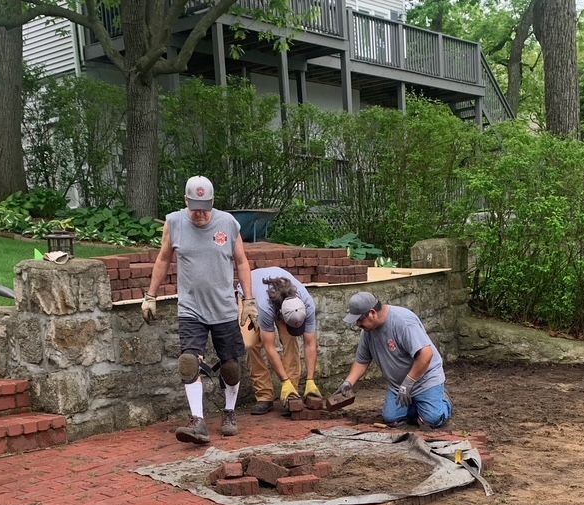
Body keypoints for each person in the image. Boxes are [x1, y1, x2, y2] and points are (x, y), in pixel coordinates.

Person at [142, 175, 256, 444]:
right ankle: (198, 421)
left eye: (205, 208)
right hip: (191, 307)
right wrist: (150, 296)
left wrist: (249, 301)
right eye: (195, 208)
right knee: (188, 361)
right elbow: (162, 260)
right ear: (186, 202)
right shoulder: (174, 222)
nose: (200, 214)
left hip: (225, 308)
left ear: (212, 202)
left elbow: (241, 262)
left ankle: (229, 412)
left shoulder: (228, 223)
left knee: (231, 367)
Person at [331, 291, 453, 428]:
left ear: (372, 313)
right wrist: (348, 383)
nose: (357, 324)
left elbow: (426, 355)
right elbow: (362, 361)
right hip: (398, 385)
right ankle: (417, 404)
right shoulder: (367, 332)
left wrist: (408, 383)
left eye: (359, 320)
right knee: (392, 419)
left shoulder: (403, 322)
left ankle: (442, 400)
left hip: (424, 380)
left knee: (432, 420)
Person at [245, 266, 320, 413]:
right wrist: (283, 381)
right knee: (252, 344)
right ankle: (264, 396)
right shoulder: (265, 307)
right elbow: (270, 347)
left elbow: (310, 344)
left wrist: (310, 380)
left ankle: (291, 395)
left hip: (280, 298)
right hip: (249, 296)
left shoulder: (307, 304)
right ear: (281, 314)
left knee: (291, 339)